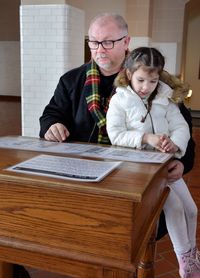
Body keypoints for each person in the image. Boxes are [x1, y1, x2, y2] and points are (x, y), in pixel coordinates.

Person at [39, 12, 196, 276]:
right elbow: (51, 113)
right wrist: (50, 126)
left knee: (140, 233)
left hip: (138, 174)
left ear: (126, 42)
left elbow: (183, 127)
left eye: (108, 42)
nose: (99, 49)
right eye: (93, 42)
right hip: (90, 176)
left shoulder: (154, 79)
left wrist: (182, 162)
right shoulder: (71, 80)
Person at [106, 46, 199, 278]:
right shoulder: (119, 100)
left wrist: (175, 144)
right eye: (141, 80)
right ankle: (185, 263)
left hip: (164, 164)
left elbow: (181, 127)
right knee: (175, 207)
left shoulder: (165, 98)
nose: (146, 87)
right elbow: (115, 135)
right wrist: (146, 137)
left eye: (153, 81)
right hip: (138, 170)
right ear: (128, 74)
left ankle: (191, 255)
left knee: (191, 209)